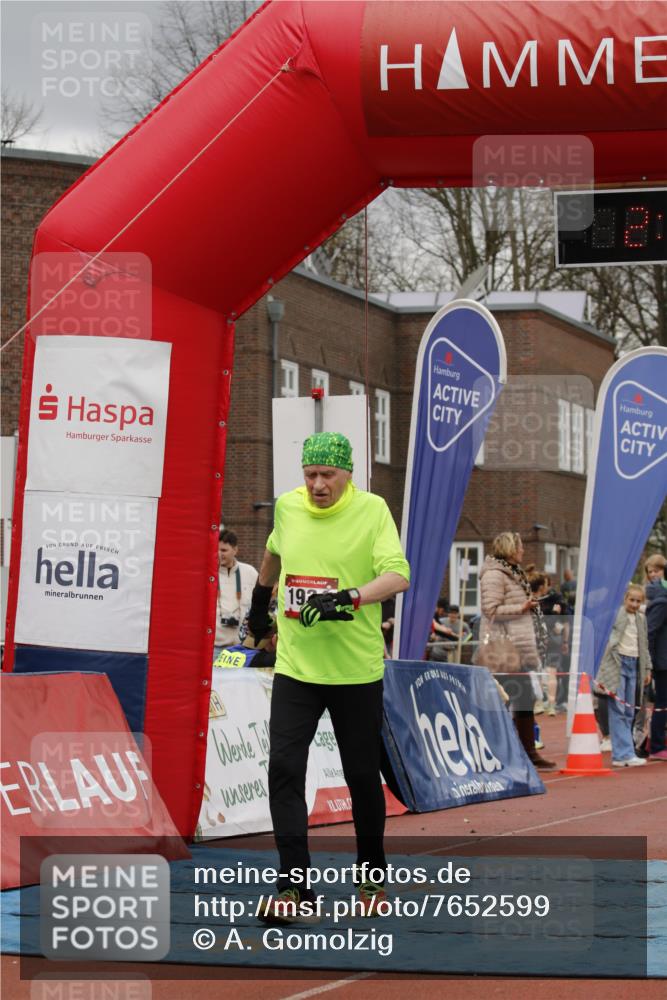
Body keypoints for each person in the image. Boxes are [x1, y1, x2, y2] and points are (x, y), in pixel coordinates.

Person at [246, 431, 410, 924]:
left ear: (347, 475)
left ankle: (371, 875)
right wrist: (259, 602)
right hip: (297, 667)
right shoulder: (289, 507)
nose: (317, 485)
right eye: (310, 475)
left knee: (362, 776)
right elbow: (275, 551)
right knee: (284, 770)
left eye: (327, 476)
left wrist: (349, 598)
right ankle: (294, 886)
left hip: (355, 671)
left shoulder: (372, 510)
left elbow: (399, 575)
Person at [478, 532, 555, 770]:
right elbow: (491, 610)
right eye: (520, 547)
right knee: (503, 700)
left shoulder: (514, 574)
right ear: (511, 549)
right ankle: (496, 753)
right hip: (503, 649)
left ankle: (527, 753)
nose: (523, 551)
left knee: (524, 699)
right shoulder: (494, 575)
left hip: (518, 647)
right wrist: (522, 606)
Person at [596, 584, 652, 767]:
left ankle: (625, 752)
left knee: (629, 710)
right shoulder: (616, 614)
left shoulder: (641, 619)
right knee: (618, 710)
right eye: (631, 600)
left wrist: (647, 668)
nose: (635, 604)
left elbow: (644, 644)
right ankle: (623, 754)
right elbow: (603, 634)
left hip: (634, 664)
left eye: (638, 601)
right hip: (617, 664)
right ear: (625, 599)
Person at [214, 529, 258, 655]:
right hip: (214, 648)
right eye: (216, 549)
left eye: (223, 550)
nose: (218, 554)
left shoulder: (250, 573)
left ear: (235, 550)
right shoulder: (207, 574)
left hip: (242, 648)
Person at [645, 561, 667, 761]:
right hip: (662, 662)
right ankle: (656, 745)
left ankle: (655, 741)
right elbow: (650, 632)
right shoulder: (662, 601)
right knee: (662, 703)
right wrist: (649, 663)